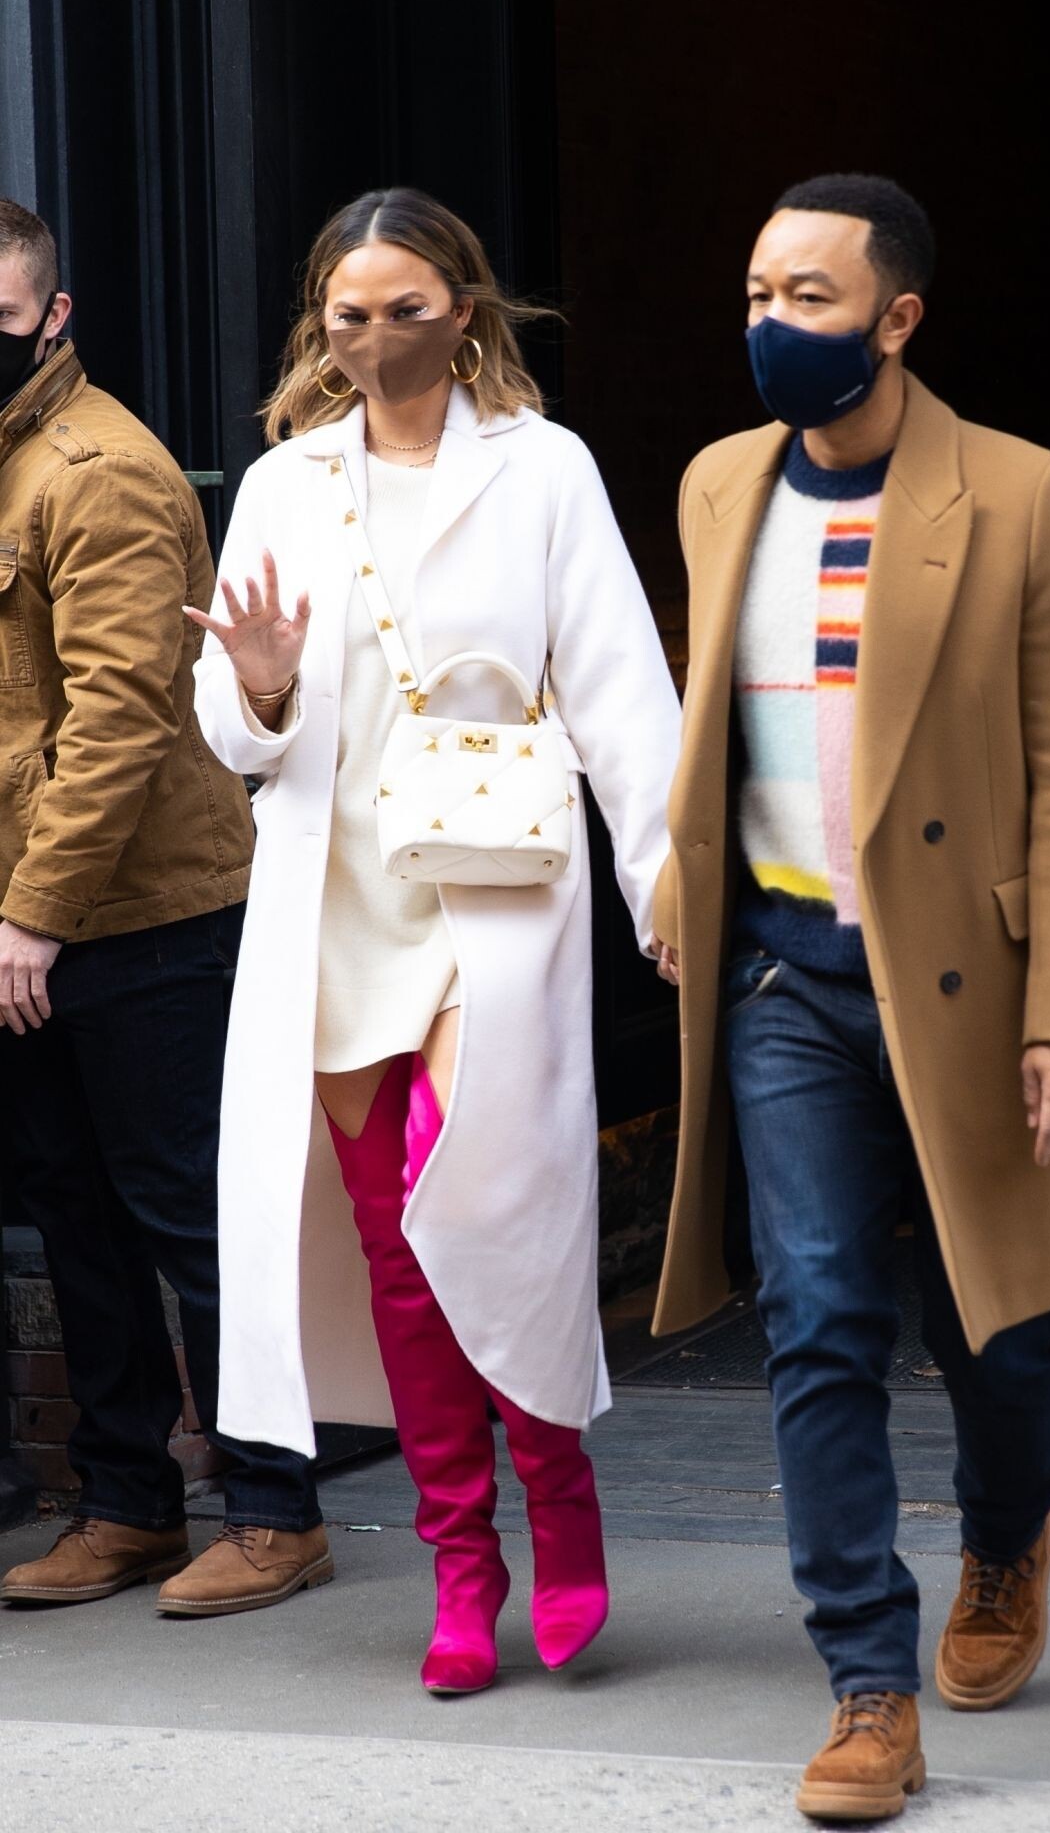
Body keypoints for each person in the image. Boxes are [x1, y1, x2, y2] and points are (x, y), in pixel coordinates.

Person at [649, 173, 1050, 1821]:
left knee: (994, 1323)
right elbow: (719, 722)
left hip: (971, 985)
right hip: (788, 974)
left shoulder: (1024, 495)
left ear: (897, 317)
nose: (771, 324)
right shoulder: (720, 484)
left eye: (808, 298)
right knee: (816, 1317)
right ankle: (867, 1684)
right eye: (757, 293)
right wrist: (682, 881)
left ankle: (1006, 1539)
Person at [188, 186, 680, 1694]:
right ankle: (461, 1563)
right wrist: (262, 682)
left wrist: (664, 884)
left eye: (407, 310)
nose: (377, 337)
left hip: (491, 893)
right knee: (396, 1255)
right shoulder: (286, 484)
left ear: (463, 310)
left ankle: (562, 1505)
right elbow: (234, 736)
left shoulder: (543, 468)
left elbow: (621, 687)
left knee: (484, 1210)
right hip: (338, 899)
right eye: (350, 316)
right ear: (320, 326)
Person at [0, 197, 324, 1617]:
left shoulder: (102, 474)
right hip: (30, 919)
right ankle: (126, 1503)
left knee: (196, 1216)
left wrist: (36, 914)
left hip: (142, 916)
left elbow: (121, 721)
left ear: (53, 316)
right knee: (75, 1216)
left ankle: (275, 1509)